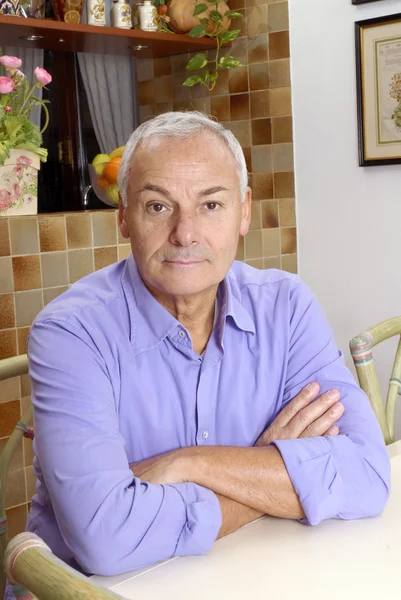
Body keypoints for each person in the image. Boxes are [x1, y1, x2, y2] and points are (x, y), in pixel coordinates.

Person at [19, 112, 391, 582]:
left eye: (211, 205)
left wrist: (187, 462)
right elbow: (106, 540)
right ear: (124, 218)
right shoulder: (70, 333)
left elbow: (367, 476)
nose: (185, 233)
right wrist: (267, 473)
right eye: (158, 206)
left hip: (247, 576)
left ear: (244, 211)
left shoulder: (287, 306)